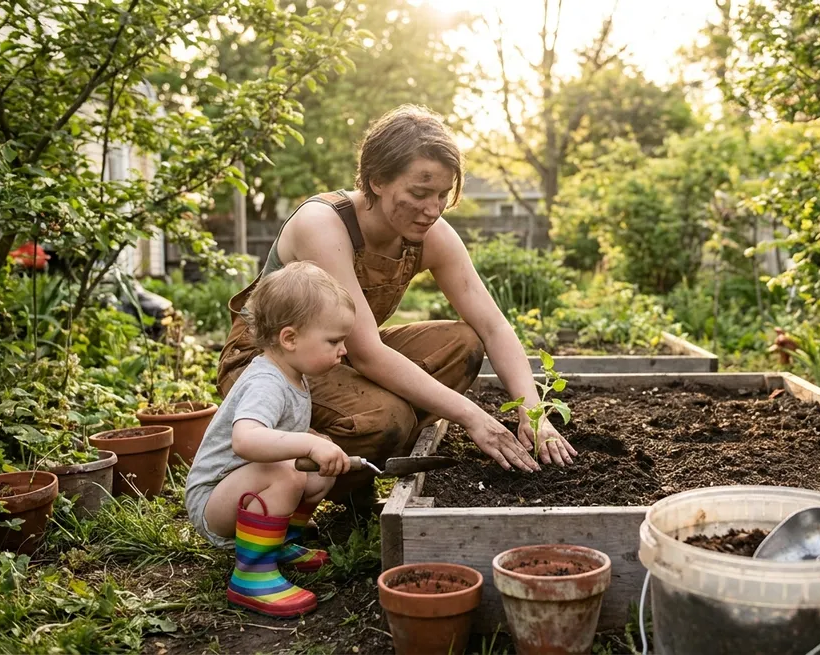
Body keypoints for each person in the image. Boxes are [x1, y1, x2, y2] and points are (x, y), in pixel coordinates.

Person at [217, 104, 577, 509]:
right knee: (389, 418)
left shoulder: (431, 235)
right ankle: (301, 485)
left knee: (464, 343)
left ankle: (360, 462)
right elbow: (368, 353)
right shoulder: (323, 225)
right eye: (419, 194)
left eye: (442, 195)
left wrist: (533, 414)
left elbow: (493, 326)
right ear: (376, 180)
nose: (433, 209)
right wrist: (473, 417)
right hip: (271, 362)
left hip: (335, 353)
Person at [185, 262, 356, 618]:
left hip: (242, 488)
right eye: (333, 341)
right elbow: (245, 441)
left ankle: (279, 543)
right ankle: (252, 575)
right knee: (287, 470)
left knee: (317, 464)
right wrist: (307, 444)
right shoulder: (266, 382)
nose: (343, 350)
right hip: (213, 500)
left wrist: (315, 443)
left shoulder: (292, 373)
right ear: (290, 338)